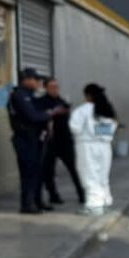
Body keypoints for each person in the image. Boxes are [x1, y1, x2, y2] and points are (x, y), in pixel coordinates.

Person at [7, 68, 64, 214]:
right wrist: (50, 113)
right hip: (25, 138)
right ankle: (27, 203)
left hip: (35, 138)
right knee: (29, 171)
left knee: (38, 170)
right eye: (35, 79)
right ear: (26, 80)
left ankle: (37, 200)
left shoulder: (30, 95)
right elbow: (33, 116)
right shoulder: (20, 95)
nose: (38, 82)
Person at [69, 84, 119, 215]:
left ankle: (94, 205)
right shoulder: (107, 110)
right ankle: (105, 201)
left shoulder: (82, 110)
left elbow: (75, 128)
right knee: (102, 175)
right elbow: (110, 128)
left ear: (87, 96)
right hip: (104, 146)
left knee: (89, 174)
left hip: (87, 146)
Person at [37, 78, 85, 206]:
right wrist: (54, 113)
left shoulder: (62, 101)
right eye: (52, 87)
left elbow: (67, 114)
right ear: (46, 88)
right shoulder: (41, 102)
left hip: (65, 140)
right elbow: (41, 117)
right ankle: (53, 195)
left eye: (56, 87)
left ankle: (82, 194)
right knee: (48, 170)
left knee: (73, 168)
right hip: (50, 141)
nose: (55, 89)